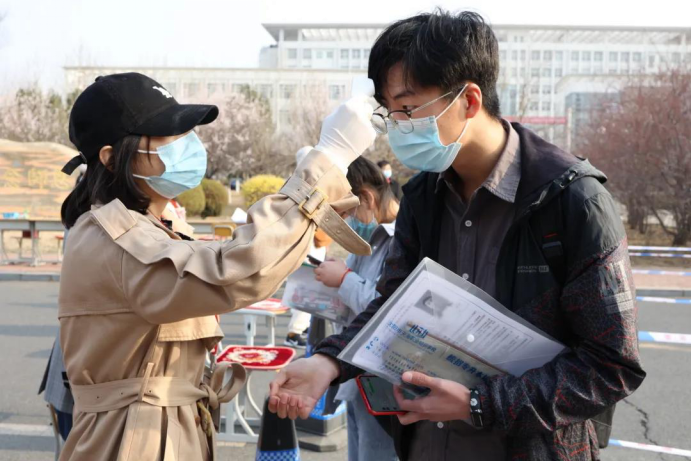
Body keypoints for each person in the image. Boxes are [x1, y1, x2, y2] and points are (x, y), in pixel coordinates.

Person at [269, 10, 645, 461]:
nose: (397, 127)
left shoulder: (571, 200)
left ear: (468, 100)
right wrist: (327, 362)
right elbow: (391, 305)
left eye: (408, 109)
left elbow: (611, 365)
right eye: (390, 113)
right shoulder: (423, 197)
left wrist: (480, 404)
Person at [56, 72, 376, 461]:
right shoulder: (112, 237)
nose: (187, 145)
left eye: (184, 134)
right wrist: (330, 157)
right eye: (167, 137)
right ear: (111, 158)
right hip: (131, 439)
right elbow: (238, 267)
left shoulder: (152, 226)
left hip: (156, 429)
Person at [313, 157, 399, 462]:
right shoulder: (368, 239)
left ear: (366, 198)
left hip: (381, 377)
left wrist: (345, 279)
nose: (348, 222)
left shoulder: (399, 241)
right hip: (354, 372)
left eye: (348, 213)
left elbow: (385, 308)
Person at [284, 146, 335, 349]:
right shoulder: (302, 188)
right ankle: (294, 332)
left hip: (309, 245)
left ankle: (301, 327)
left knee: (303, 288)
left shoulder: (295, 185)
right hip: (306, 245)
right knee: (305, 289)